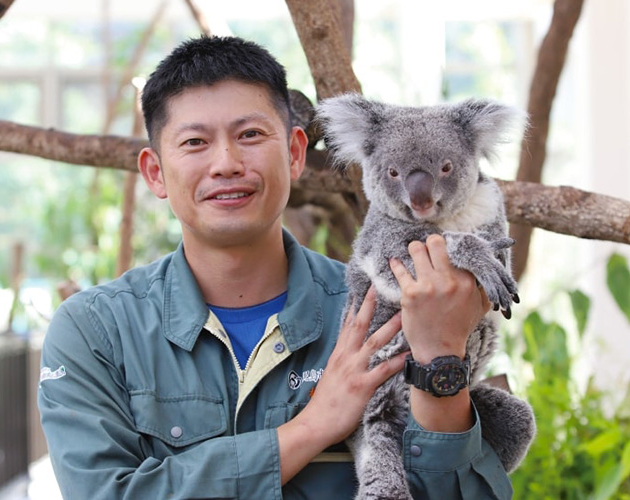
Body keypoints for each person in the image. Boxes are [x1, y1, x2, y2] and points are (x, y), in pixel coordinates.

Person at [38, 35, 514, 499]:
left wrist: (440, 360)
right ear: (155, 173)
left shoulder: (387, 301)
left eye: (249, 135)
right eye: (195, 142)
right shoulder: (94, 331)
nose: (226, 163)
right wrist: (311, 428)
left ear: (294, 154)